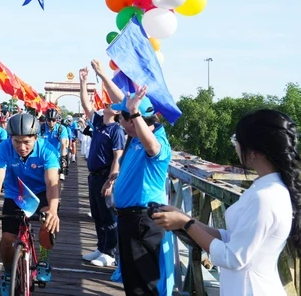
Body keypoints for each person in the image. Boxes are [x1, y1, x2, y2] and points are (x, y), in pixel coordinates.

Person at [153, 109, 300, 296]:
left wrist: (186, 224)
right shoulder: (265, 188)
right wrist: (183, 218)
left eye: (236, 141)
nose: (235, 146)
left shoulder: (265, 197)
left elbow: (233, 257)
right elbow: (230, 236)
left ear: (253, 151)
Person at [94, 60, 172, 296]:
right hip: (129, 219)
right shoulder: (134, 135)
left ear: (135, 120)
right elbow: (124, 102)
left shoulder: (155, 140)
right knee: (132, 282)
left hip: (143, 221)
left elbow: (153, 148)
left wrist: (135, 112)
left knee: (143, 286)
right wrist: (103, 76)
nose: (119, 121)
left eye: (123, 118)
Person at [0, 113, 61, 296]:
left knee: (48, 222)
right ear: (10, 138)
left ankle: (44, 260)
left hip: (41, 194)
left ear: (36, 137)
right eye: (16, 142)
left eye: (26, 142)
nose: (21, 147)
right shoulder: (3, 148)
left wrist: (53, 210)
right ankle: (8, 273)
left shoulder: (47, 150)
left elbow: (52, 183)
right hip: (16, 195)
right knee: (7, 239)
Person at [78, 66, 125, 268]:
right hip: (93, 176)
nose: (106, 103)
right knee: (97, 214)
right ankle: (101, 246)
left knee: (108, 215)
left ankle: (110, 252)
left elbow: (117, 157)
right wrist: (83, 82)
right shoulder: (99, 123)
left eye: (111, 103)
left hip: (105, 176)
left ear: (116, 111)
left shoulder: (116, 130)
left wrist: (111, 180)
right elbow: (87, 106)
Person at [42, 108, 69, 181]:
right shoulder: (41, 128)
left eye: (53, 120)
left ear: (57, 120)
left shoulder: (61, 129)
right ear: (46, 119)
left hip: (56, 155)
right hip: (43, 155)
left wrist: (63, 159)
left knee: (54, 179)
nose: (51, 122)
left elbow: (63, 145)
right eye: (49, 120)